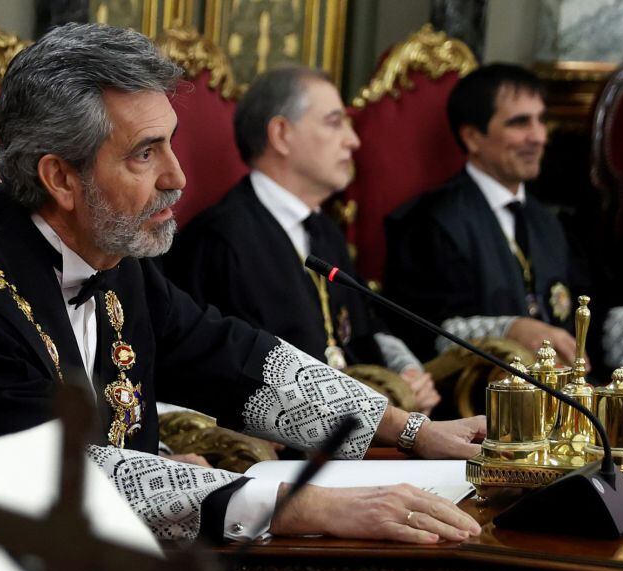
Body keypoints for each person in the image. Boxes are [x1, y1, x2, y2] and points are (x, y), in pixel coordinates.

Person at [0, 23, 485, 547]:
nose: (178, 177)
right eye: (145, 153)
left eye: (170, 145)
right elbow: (62, 483)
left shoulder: (108, 250)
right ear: (60, 178)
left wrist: (409, 432)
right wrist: (301, 505)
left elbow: (233, 360)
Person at [384, 64, 623, 369]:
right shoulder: (429, 222)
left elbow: (596, 321)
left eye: (542, 121)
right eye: (519, 123)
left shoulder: (550, 223)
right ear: (473, 137)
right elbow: (420, 334)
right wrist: (512, 330)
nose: (539, 137)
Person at [165, 66, 439, 414]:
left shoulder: (324, 231)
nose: (353, 140)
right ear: (281, 134)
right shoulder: (218, 240)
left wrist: (406, 373)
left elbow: (364, 329)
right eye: (334, 122)